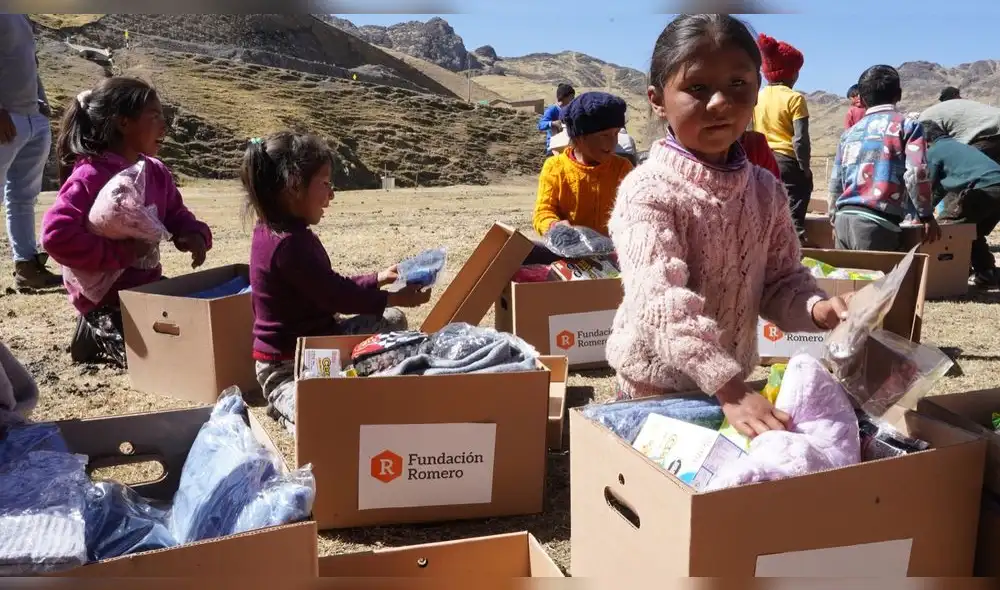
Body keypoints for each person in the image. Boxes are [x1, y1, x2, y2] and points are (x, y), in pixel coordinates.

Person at [606, 14, 850, 440]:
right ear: (658, 99)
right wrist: (730, 388)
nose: (720, 103)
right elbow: (660, 302)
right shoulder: (647, 190)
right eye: (697, 88)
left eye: (738, 84)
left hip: (728, 389)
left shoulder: (765, 191)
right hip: (656, 389)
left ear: (757, 89)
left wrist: (817, 309)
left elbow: (780, 280)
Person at [243, 131, 432, 433]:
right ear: (294, 185)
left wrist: (378, 279)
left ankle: (333, 382)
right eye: (325, 184)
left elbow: (328, 285)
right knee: (328, 421)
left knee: (392, 322)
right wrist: (392, 296)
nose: (331, 195)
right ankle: (286, 404)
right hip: (286, 368)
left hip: (319, 351)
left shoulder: (286, 233)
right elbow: (335, 296)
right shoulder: (288, 245)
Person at [41, 77, 213, 368]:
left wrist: (192, 233)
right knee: (155, 360)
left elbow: (175, 213)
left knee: (200, 331)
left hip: (146, 287)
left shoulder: (155, 172)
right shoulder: (90, 176)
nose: (164, 125)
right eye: (155, 116)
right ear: (124, 122)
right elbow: (56, 235)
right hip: (106, 300)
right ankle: (93, 332)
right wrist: (124, 254)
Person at [829, 65, 940, 251]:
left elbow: (836, 182)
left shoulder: (849, 134)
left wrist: (833, 218)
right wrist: (926, 215)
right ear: (899, 94)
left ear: (862, 99)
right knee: (881, 280)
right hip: (877, 224)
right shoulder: (907, 126)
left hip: (843, 220)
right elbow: (916, 172)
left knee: (851, 279)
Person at [0, 14, 61, 290]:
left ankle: (26, 267)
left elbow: (27, 63)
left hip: (33, 116)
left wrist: (41, 103)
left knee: (24, 197)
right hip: (6, 116)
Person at [532, 91, 634, 237]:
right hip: (569, 252)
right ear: (579, 137)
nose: (613, 143)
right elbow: (543, 211)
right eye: (604, 135)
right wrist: (554, 226)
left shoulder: (622, 168)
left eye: (616, 133)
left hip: (612, 253)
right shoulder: (555, 167)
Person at [922, 120, 1000, 286]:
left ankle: (948, 272)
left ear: (925, 140)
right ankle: (986, 272)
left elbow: (928, 185)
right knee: (973, 230)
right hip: (996, 188)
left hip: (983, 189)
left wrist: (922, 213)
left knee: (946, 227)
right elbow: (939, 189)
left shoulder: (934, 151)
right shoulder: (958, 146)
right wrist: (931, 205)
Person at [753, 33, 812, 243]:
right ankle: (795, 240)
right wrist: (805, 169)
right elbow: (800, 140)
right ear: (790, 73)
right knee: (798, 197)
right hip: (787, 161)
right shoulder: (795, 98)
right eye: (797, 71)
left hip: (760, 160)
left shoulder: (757, 96)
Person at [919, 97, 1000, 165]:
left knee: (964, 163)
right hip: (994, 123)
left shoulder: (924, 121)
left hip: (988, 131)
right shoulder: (936, 111)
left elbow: (940, 145)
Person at [538, 83, 575, 157]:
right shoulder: (552, 110)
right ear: (565, 97)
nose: (573, 99)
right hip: (554, 148)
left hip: (568, 146)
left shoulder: (570, 110)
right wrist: (552, 123)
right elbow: (540, 125)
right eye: (572, 97)